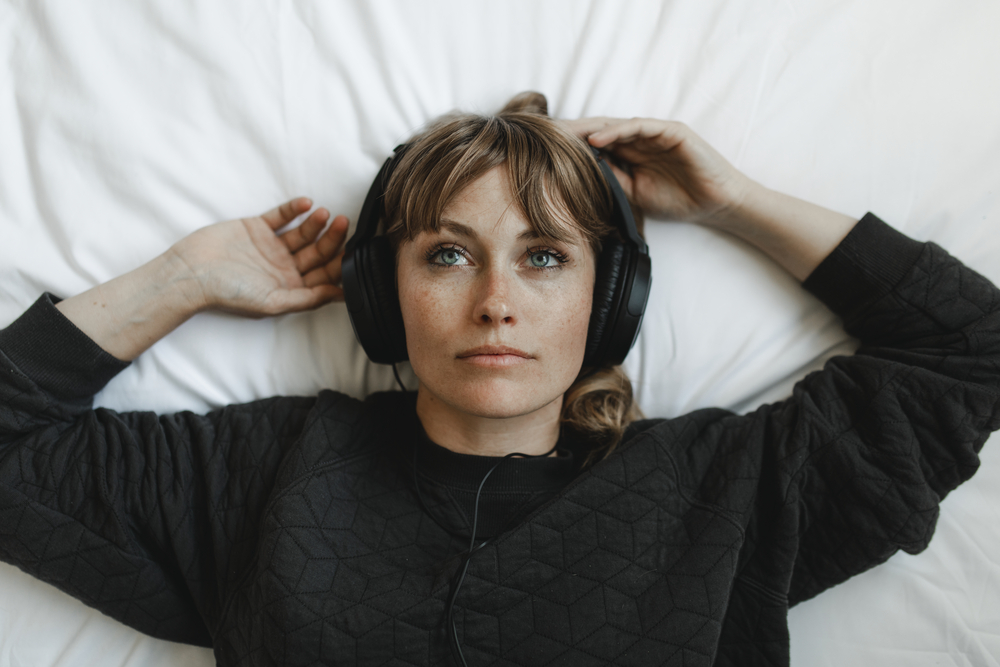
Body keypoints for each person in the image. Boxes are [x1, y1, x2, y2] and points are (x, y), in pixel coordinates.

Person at [0, 92, 998, 666]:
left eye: (547, 256)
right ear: (379, 295)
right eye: (446, 254)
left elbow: (969, 348)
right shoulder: (262, 474)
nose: (494, 301)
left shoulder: (729, 491)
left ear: (610, 304)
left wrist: (735, 204)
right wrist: (184, 278)